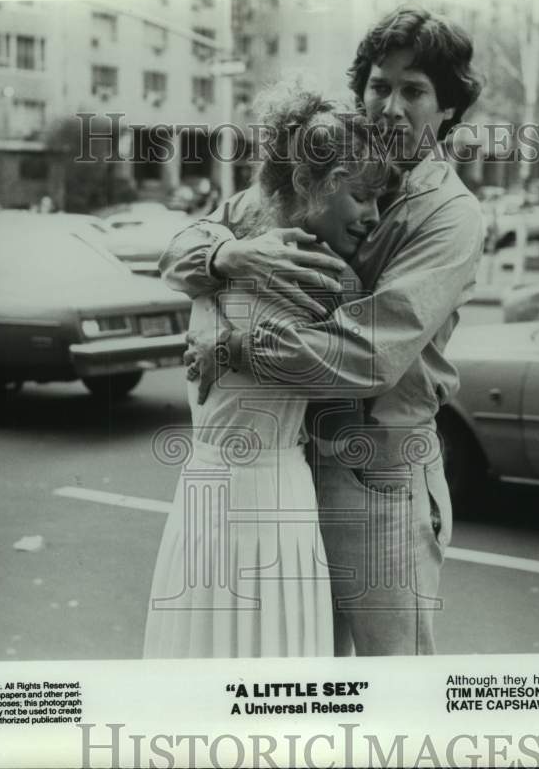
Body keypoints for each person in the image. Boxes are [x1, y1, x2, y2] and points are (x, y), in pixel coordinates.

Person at [160, 6, 485, 656]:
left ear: (447, 110)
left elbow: (369, 355)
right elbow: (181, 250)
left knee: (391, 679)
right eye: (378, 86)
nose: (391, 107)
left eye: (414, 91)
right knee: (311, 669)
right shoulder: (324, 167)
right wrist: (228, 257)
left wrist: (236, 346)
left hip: (378, 475)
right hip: (296, 463)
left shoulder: (450, 217)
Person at [143, 84, 394, 659]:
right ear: (311, 186)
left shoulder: (227, 246)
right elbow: (345, 365)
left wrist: (229, 342)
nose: (373, 217)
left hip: (206, 488)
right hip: (269, 493)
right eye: (360, 196)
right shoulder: (324, 277)